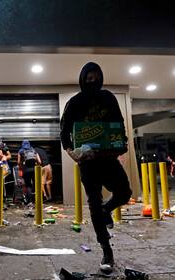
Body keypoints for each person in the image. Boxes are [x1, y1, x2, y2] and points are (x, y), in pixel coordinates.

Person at [60, 62, 132, 274]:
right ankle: (106, 250)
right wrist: (72, 153)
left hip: (108, 158)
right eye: (88, 78)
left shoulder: (108, 98)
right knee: (93, 202)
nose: (92, 81)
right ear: (83, 80)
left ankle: (105, 211)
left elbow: (118, 124)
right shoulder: (74, 102)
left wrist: (122, 143)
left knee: (124, 193)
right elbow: (64, 133)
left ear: (100, 78)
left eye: (95, 78)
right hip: (88, 163)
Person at [17, 140, 41, 204]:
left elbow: (18, 162)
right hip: (34, 170)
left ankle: (30, 201)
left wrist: (21, 167)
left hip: (26, 170)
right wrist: (36, 165)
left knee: (28, 185)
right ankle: (37, 200)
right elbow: (39, 161)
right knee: (36, 184)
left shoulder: (20, 151)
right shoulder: (33, 150)